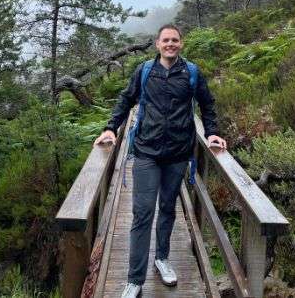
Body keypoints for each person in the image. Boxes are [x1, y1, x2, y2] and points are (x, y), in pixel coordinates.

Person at [93, 24, 226, 298]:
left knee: (167, 208)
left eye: (174, 40)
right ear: (157, 44)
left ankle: (162, 258)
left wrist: (212, 133)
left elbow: (207, 104)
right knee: (142, 213)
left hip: (177, 154)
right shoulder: (144, 71)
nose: (170, 44)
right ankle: (134, 279)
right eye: (165, 40)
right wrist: (110, 127)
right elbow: (126, 99)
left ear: (181, 43)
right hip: (146, 152)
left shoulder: (191, 72)